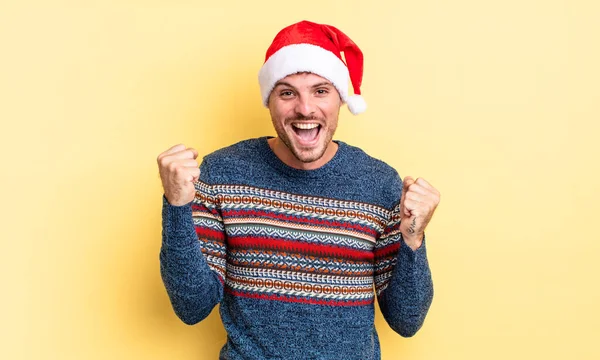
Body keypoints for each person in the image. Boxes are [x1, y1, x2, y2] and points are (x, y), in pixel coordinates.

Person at [157, 20, 440, 360]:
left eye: (320, 91)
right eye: (287, 92)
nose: (305, 108)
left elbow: (406, 320)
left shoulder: (378, 183)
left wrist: (413, 237)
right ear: (269, 101)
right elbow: (192, 307)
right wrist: (177, 206)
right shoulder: (221, 174)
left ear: (339, 99)